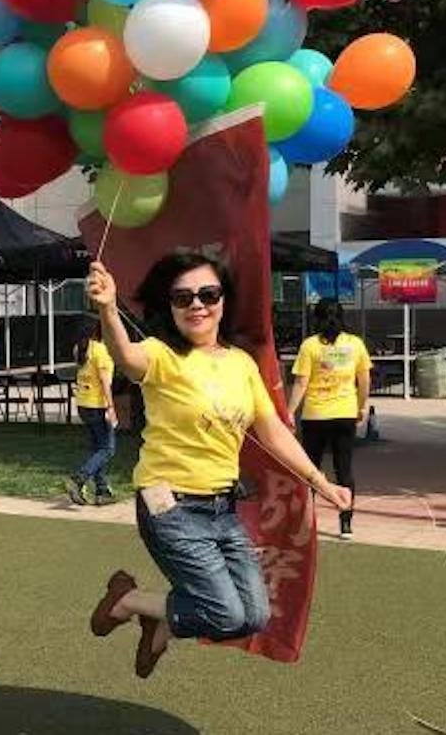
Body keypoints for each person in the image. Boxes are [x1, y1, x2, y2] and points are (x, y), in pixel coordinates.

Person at [84, 250, 351, 680]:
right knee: (225, 615)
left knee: (254, 616)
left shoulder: (241, 364)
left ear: (223, 301)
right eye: (182, 297)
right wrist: (109, 309)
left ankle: (159, 621)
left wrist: (322, 483)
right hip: (168, 506)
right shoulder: (160, 354)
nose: (197, 305)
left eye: (208, 293)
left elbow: (274, 432)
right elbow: (126, 358)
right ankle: (128, 602)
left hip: (223, 510)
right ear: (169, 305)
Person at [289, 298, 371, 539]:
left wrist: (289, 411)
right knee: (343, 469)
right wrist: (361, 407)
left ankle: (306, 523)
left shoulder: (310, 346)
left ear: (317, 317)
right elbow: (364, 380)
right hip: (345, 413)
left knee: (310, 469)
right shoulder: (355, 344)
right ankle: (346, 524)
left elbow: (301, 381)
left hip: (315, 415)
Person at [65, 319, 117, 507]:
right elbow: (104, 382)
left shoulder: (79, 349)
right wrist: (111, 407)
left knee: (97, 448)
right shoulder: (100, 350)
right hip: (98, 404)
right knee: (107, 449)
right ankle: (80, 478)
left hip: (83, 404)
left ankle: (102, 490)